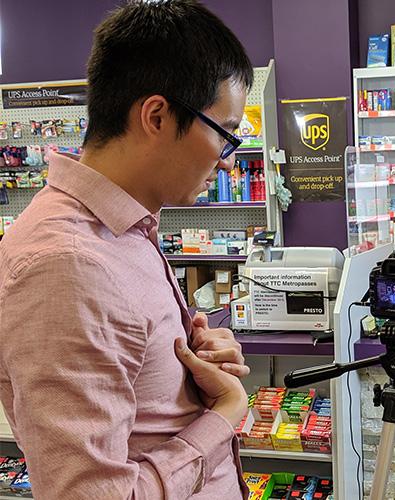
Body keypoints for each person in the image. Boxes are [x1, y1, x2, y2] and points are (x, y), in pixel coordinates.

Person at [0, 1, 255, 498]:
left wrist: (195, 376)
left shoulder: (128, 230)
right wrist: (223, 417)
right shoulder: (66, 265)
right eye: (225, 136)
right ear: (157, 116)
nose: (228, 165)